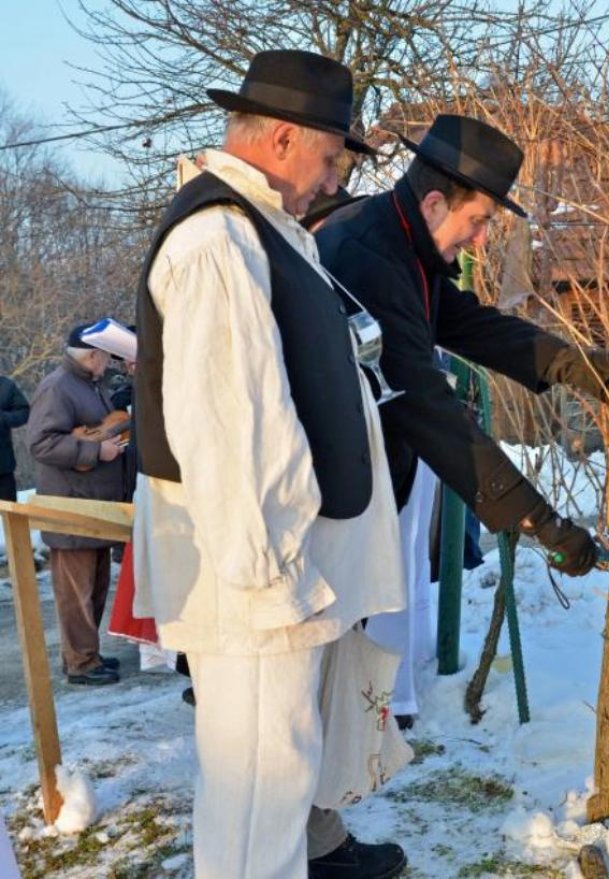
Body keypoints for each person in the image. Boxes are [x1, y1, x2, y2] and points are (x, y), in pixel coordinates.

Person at [131, 50, 407, 879]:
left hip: (272, 574)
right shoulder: (217, 240)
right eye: (330, 158)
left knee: (269, 793)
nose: (331, 182)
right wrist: (270, 580)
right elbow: (232, 425)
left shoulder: (256, 232)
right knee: (258, 799)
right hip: (258, 584)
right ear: (284, 138)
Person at [316, 114, 609, 719]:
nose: (481, 239)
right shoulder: (369, 255)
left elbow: (459, 319)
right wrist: (538, 522)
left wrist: (570, 364)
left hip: (368, 469)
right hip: (332, 487)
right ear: (436, 203)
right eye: (479, 221)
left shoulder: (398, 239)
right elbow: (424, 404)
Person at [26, 324, 127, 685]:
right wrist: (96, 450)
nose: (108, 363)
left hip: (92, 507)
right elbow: (40, 444)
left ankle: (88, 654)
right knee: (76, 594)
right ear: (92, 356)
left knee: (94, 587)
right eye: (105, 356)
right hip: (71, 507)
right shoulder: (57, 387)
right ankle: (79, 663)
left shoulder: (89, 384)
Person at [0, 375, 30, 502]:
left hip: (3, 467)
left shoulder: (6, 386)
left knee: (11, 516)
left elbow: (24, 412)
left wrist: (2, 419)